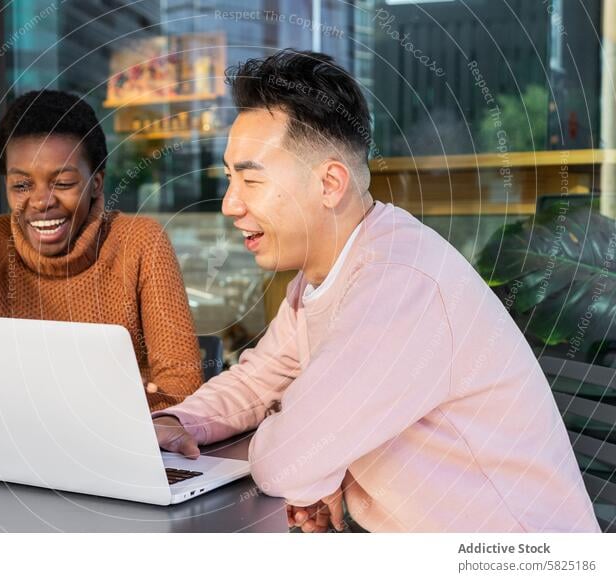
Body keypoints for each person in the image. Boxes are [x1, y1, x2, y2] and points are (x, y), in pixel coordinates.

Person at [152, 50, 600, 532]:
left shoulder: (400, 281)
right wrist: (180, 423)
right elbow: (261, 378)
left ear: (329, 184)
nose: (229, 204)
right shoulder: (321, 277)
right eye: (229, 178)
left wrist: (317, 463)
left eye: (251, 180)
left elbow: (286, 459)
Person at [0, 90, 202, 411]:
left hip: (119, 441)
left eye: (64, 183)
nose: (42, 201)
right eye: (21, 185)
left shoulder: (141, 242)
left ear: (96, 183)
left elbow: (183, 384)